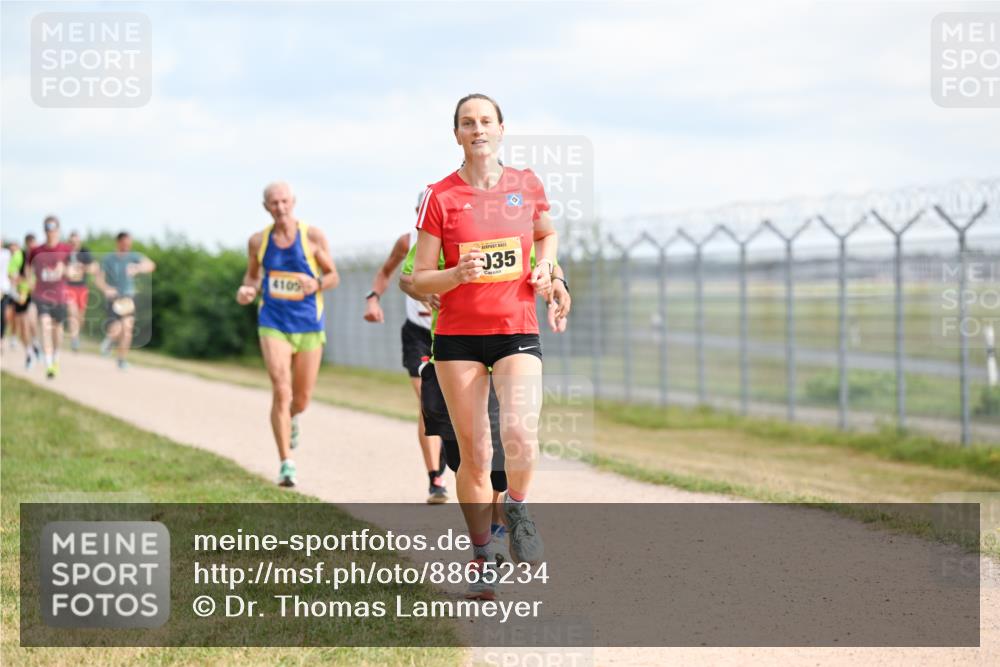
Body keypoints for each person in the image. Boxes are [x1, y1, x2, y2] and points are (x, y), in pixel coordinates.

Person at [411, 94, 559, 599]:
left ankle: (515, 505)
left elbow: (547, 234)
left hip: (516, 326)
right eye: (467, 123)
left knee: (520, 432)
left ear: (501, 129)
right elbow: (419, 278)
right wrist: (455, 274)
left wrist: (547, 268)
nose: (478, 129)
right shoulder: (440, 196)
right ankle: (483, 554)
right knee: (475, 454)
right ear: (457, 135)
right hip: (457, 337)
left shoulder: (526, 184)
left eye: (486, 121)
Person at [401, 233, 570, 595]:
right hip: (453, 351)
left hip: (508, 346)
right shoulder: (446, 224)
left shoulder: (511, 219)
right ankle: (489, 539)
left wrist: (556, 280)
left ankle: (488, 547)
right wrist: (427, 289)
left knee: (501, 458)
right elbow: (410, 275)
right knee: (465, 458)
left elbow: (543, 256)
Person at [236, 181, 339, 487]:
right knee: (281, 388)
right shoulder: (258, 241)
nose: (279, 207)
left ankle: (293, 416)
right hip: (273, 321)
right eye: (273, 203)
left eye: (284, 201)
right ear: (265, 207)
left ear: (293, 202)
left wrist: (316, 284)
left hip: (308, 324)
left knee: (301, 399)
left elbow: (333, 276)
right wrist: (247, 290)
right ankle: (286, 463)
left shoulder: (313, 236)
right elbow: (253, 277)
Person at [364, 191, 448, 504]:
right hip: (418, 335)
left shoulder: (458, 238)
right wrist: (373, 298)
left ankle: (457, 461)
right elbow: (386, 273)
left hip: (451, 332)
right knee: (428, 402)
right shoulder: (407, 241)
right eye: (422, 211)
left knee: (454, 408)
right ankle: (435, 480)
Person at [95, 232, 155, 370]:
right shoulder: (108, 259)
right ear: (119, 242)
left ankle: (121, 360)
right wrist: (106, 288)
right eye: (125, 243)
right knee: (117, 327)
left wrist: (138, 268)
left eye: (129, 243)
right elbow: (99, 279)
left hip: (128, 297)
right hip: (114, 297)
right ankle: (110, 341)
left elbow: (151, 265)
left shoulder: (133, 257)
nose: (128, 246)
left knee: (127, 329)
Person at [27, 216, 73, 379]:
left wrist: (64, 270)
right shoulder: (36, 250)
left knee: (57, 330)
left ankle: (56, 356)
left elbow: (74, 272)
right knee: (45, 326)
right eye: (47, 229)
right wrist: (30, 281)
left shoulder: (66, 250)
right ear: (44, 230)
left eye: (53, 229)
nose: (50, 233)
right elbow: (28, 269)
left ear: (58, 230)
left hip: (59, 296)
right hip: (41, 295)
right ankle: (48, 364)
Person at [65, 231, 94, 351]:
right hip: (68, 287)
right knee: (73, 312)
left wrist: (83, 267)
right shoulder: (65, 253)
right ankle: (74, 340)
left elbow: (93, 268)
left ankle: (76, 335)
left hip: (82, 288)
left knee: (80, 316)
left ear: (79, 242)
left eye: (76, 242)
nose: (74, 244)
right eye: (72, 242)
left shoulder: (85, 253)